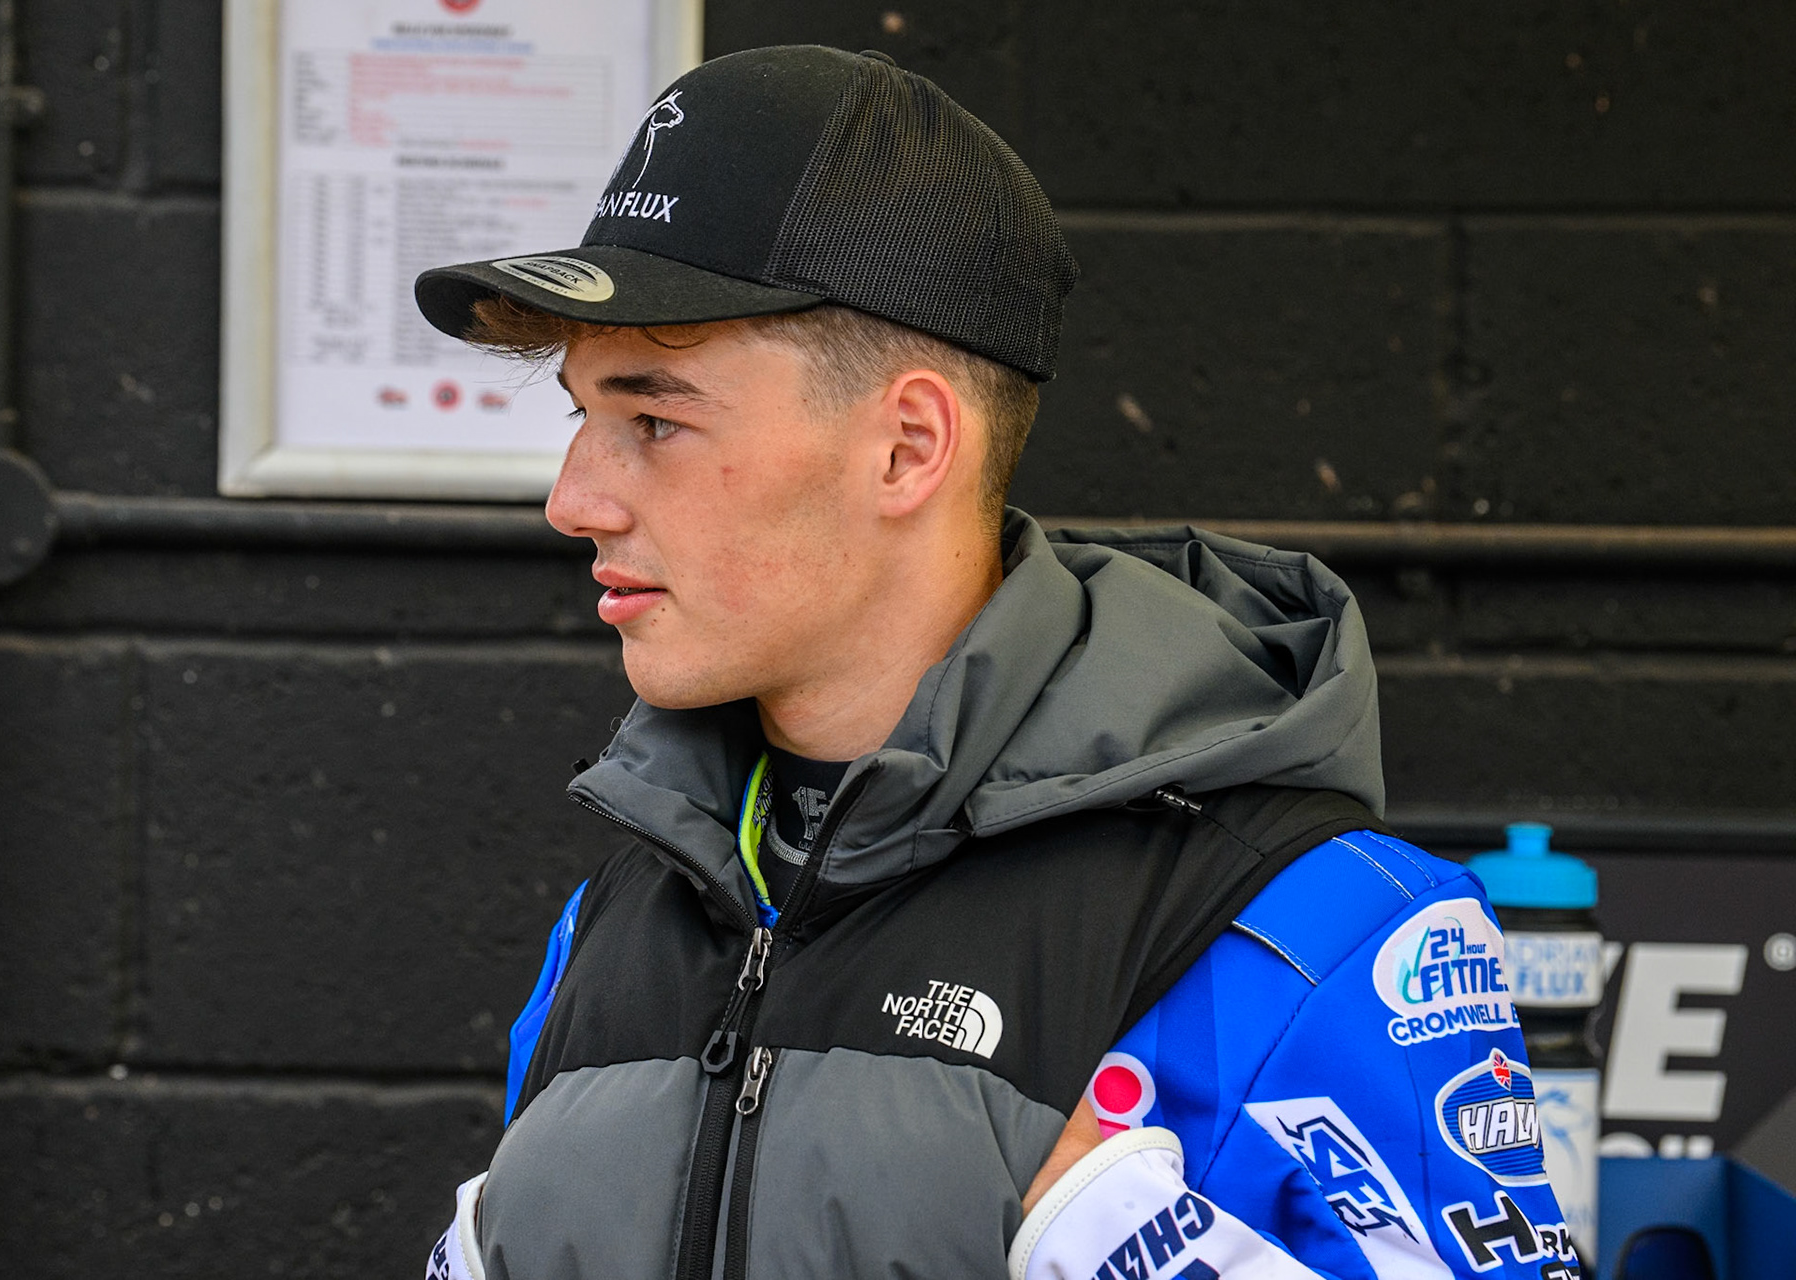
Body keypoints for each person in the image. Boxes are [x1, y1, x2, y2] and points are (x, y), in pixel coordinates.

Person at [412, 45, 1578, 1280]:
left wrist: (1133, 1254)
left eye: (656, 419)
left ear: (909, 446)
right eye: (582, 417)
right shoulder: (623, 912)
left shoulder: (1311, 924)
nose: (573, 498)